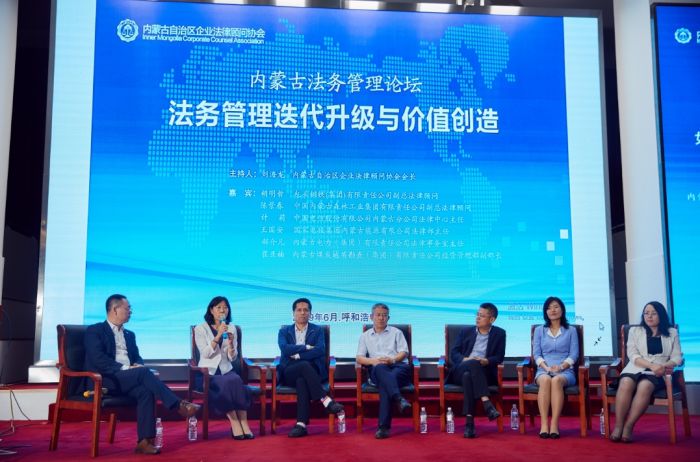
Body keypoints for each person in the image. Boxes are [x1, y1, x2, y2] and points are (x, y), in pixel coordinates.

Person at [84, 294, 201, 455]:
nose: (131, 311)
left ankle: (144, 442)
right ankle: (178, 405)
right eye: (128, 308)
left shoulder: (129, 334)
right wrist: (126, 368)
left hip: (126, 379)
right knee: (144, 372)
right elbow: (98, 360)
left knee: (145, 391)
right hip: (105, 380)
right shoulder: (95, 331)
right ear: (115, 309)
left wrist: (137, 364)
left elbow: (137, 357)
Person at [610, 301, 683, 443]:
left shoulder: (672, 332)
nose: (649, 316)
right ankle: (619, 426)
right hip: (636, 367)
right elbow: (632, 355)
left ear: (661, 315)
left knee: (645, 386)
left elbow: (677, 357)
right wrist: (651, 365)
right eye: (646, 313)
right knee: (625, 382)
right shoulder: (635, 331)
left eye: (653, 313)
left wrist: (663, 366)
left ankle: (629, 426)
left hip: (659, 372)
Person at [277, 297, 344, 437]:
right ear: (293, 313)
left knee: (302, 379)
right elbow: (285, 349)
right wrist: (306, 347)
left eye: (305, 310)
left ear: (310, 313)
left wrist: (298, 355)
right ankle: (325, 400)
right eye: (299, 310)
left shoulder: (317, 330)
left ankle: (301, 425)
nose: (302, 313)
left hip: (310, 371)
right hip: (289, 371)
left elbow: (319, 350)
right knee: (304, 367)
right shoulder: (284, 331)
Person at [194, 296, 254, 440]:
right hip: (208, 373)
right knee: (226, 382)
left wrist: (232, 344)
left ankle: (244, 423)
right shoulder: (200, 328)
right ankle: (234, 422)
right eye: (219, 307)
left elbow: (232, 357)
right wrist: (219, 335)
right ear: (211, 310)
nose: (222, 310)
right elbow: (205, 354)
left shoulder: (231, 328)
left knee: (236, 380)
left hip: (226, 369)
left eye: (225, 308)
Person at [447, 302, 505, 438]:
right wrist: (467, 359)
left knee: (469, 376)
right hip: (460, 370)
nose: (477, 318)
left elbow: (499, 357)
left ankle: (469, 423)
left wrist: (486, 361)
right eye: (477, 314)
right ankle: (486, 402)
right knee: (472, 364)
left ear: (492, 319)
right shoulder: (465, 331)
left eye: (482, 316)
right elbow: (454, 353)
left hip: (483, 373)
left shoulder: (500, 334)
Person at [356, 303, 412, 439]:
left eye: (384, 315)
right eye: (378, 315)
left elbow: (404, 352)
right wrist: (374, 361)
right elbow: (359, 358)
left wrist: (392, 360)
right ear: (371, 317)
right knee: (381, 368)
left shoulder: (397, 332)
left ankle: (383, 427)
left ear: (388, 318)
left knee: (385, 383)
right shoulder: (365, 336)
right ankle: (399, 399)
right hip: (377, 369)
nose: (381, 318)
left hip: (398, 367)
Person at [533, 296, 578, 439]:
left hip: (565, 371)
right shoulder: (539, 330)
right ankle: (544, 424)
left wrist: (561, 367)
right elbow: (536, 354)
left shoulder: (571, 330)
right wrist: (546, 368)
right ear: (545, 312)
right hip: (543, 370)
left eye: (556, 307)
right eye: (549, 308)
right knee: (546, 380)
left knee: (556, 380)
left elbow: (574, 354)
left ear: (562, 310)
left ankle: (554, 424)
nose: (552, 310)